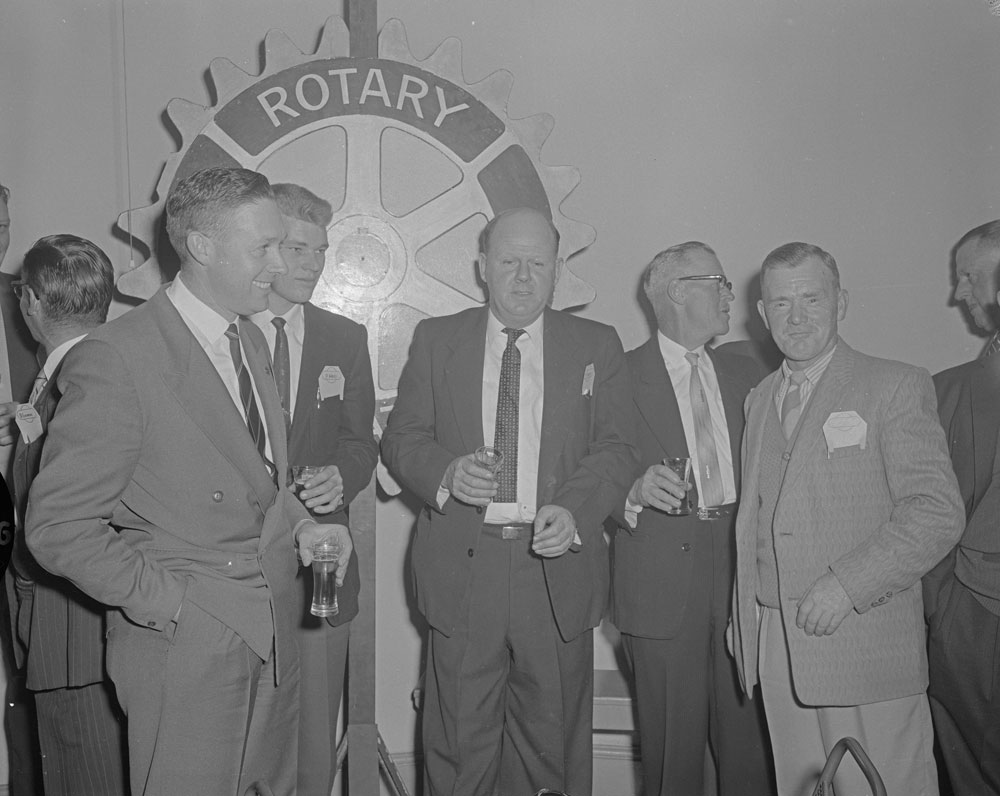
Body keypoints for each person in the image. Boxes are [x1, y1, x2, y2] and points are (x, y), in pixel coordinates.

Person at [24, 167, 350, 796]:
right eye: (265, 248)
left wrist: (305, 526)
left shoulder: (250, 340)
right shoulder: (119, 357)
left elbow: (259, 481)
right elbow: (59, 528)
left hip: (275, 630)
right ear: (201, 247)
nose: (280, 264)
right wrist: (172, 607)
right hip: (188, 647)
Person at [382, 207, 638, 796]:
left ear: (557, 271)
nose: (523, 277)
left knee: (552, 751)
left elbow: (618, 447)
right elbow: (401, 439)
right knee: (457, 752)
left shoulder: (597, 344)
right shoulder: (436, 339)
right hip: (463, 571)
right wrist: (446, 472)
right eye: (509, 262)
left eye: (538, 264)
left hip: (555, 566)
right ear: (483, 268)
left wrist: (572, 507)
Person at [730, 241, 964, 795]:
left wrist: (846, 585)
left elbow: (936, 512)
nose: (797, 316)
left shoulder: (895, 384)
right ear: (762, 314)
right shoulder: (758, 400)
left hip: (863, 640)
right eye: (781, 303)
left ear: (842, 302)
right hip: (777, 648)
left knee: (885, 786)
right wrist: (744, 617)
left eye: (812, 298)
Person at [612, 242, 773, 796]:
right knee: (670, 756)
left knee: (751, 746)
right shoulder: (616, 375)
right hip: (659, 578)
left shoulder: (751, 370)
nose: (732, 294)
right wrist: (629, 490)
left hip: (740, 571)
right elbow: (582, 468)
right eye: (720, 283)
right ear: (678, 292)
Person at [250, 182, 378, 796]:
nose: (312, 264)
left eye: (320, 250)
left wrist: (343, 475)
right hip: (240, 565)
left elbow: (362, 442)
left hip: (322, 568)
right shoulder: (225, 336)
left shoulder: (342, 338)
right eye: (298, 249)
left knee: (312, 742)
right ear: (267, 250)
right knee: (243, 735)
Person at [4, 234, 125, 795]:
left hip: (74, 639)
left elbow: (55, 526)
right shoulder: (102, 367)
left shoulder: (77, 380)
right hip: (87, 634)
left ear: (30, 302)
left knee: (84, 779)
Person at [927, 220, 1000, 795]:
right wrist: (947, 613)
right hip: (972, 621)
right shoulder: (946, 391)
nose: (959, 295)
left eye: (970, 278)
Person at [0, 181, 43, 796]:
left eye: (4, 222)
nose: (0, 234)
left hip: (26, 505)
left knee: (26, 663)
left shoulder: (23, 301)